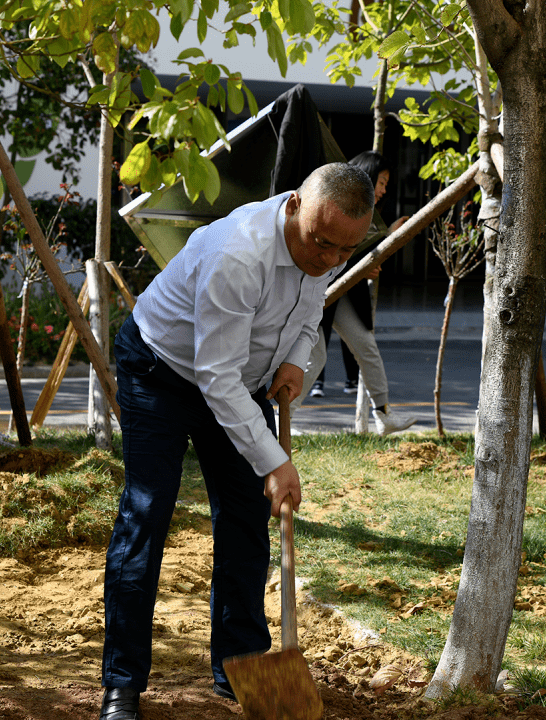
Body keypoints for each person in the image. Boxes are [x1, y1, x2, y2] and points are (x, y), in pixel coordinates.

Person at [98, 163, 375, 720]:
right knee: (147, 512)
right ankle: (122, 684)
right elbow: (215, 377)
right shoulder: (237, 254)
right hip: (162, 369)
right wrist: (273, 461)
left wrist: (297, 360)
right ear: (294, 205)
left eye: (343, 252)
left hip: (234, 377)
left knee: (247, 517)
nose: (327, 260)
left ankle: (241, 666)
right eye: (321, 244)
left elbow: (308, 309)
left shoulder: (326, 241)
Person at [292, 150, 415, 436]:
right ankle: (281, 419)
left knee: (365, 346)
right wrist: (371, 257)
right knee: (316, 357)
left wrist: (383, 244)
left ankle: (383, 414)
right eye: (382, 182)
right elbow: (337, 252)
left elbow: (359, 253)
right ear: (368, 177)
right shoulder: (339, 203)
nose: (385, 190)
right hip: (319, 289)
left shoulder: (369, 213)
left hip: (344, 291)